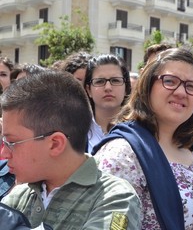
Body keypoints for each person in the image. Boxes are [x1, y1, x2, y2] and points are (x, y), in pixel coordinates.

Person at [92, 48, 193, 229]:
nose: (181, 92)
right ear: (147, 86)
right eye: (170, 81)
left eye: (191, 86)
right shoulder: (121, 156)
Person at [0, 70, 141, 229]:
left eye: (12, 142)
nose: (4, 154)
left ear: (55, 144)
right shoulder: (20, 195)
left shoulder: (115, 197)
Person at [84, 54, 131, 153]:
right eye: (100, 81)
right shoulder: (76, 129)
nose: (108, 87)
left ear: (126, 88)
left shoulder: (139, 131)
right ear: (88, 90)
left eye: (115, 80)